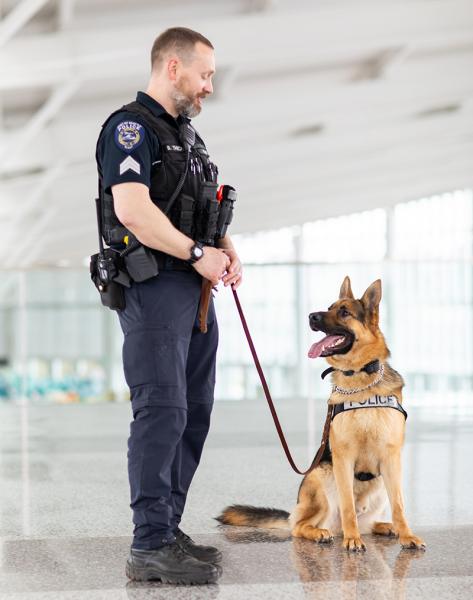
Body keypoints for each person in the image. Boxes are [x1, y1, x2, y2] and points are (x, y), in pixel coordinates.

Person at [95, 27, 242, 585]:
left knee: (193, 413)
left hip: (194, 290)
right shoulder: (131, 129)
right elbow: (132, 209)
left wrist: (224, 247)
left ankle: (168, 528)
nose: (209, 86)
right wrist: (196, 251)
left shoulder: (189, 138)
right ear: (173, 67)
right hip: (155, 287)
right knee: (162, 412)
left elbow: (197, 207)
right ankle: (149, 544)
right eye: (205, 74)